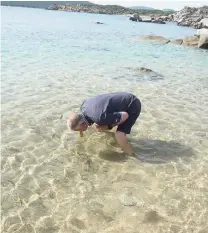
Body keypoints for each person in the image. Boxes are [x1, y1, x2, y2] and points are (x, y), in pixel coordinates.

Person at [67, 92, 141, 156]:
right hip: (125, 98)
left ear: (82, 123)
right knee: (102, 124)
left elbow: (125, 115)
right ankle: (122, 144)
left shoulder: (100, 118)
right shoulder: (83, 106)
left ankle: (131, 156)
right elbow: (80, 122)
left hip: (132, 105)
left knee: (119, 135)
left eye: (79, 130)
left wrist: (108, 126)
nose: (80, 131)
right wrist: (81, 136)